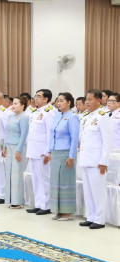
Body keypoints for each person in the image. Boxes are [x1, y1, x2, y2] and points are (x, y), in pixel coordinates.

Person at [79, 89, 112, 229]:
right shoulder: (86, 116)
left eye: (90, 99)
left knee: (98, 191)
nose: (87, 102)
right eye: (86, 99)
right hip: (86, 158)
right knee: (88, 190)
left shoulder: (103, 116)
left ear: (99, 101)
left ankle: (99, 219)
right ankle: (91, 215)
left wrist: (104, 161)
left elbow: (107, 141)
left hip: (97, 161)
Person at [48, 93, 80, 221]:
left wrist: (71, 156)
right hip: (56, 152)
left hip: (66, 153)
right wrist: (50, 151)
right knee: (56, 181)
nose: (58, 103)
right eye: (57, 101)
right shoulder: (57, 116)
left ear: (69, 102)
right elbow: (52, 135)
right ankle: (58, 210)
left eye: (61, 101)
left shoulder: (73, 117)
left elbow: (75, 138)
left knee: (66, 182)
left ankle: (67, 212)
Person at [26, 89, 56, 215]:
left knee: (44, 179)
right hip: (33, 150)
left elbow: (50, 134)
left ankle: (46, 205)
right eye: (35, 96)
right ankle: (38, 204)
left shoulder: (50, 112)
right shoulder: (36, 112)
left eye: (39, 96)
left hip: (42, 151)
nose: (35, 98)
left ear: (46, 99)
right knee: (36, 179)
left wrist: (48, 151)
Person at [3, 96, 29, 209]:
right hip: (9, 146)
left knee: (16, 174)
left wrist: (18, 150)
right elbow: (6, 132)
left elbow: (24, 135)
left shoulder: (24, 117)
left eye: (16, 104)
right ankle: (10, 199)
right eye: (13, 103)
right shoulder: (11, 116)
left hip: (18, 147)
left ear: (23, 106)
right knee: (9, 173)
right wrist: (4, 146)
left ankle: (18, 201)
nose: (13, 105)